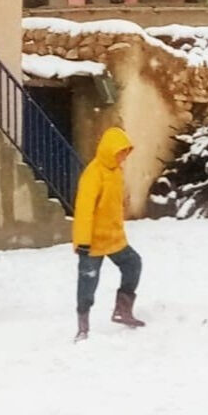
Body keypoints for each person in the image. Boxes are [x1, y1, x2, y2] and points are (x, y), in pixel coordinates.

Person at [72, 126, 145, 342]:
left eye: (125, 152)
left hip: (114, 238)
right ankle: (83, 327)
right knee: (87, 283)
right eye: (121, 151)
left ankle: (123, 310)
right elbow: (84, 209)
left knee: (133, 264)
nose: (124, 156)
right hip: (92, 241)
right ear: (109, 150)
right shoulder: (93, 174)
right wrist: (83, 241)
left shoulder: (116, 172)